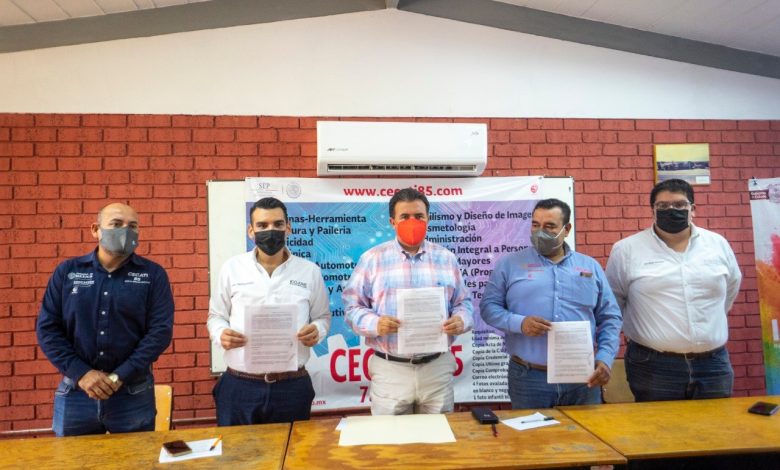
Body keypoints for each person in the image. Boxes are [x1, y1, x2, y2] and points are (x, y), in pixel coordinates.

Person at [36, 202, 174, 436]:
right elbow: (48, 329)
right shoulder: (68, 272)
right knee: (73, 457)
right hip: (77, 393)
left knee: (136, 457)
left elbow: (159, 332)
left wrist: (119, 375)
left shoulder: (153, 275)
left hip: (132, 393)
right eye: (116, 224)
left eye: (133, 226)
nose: (125, 231)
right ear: (95, 229)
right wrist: (82, 373)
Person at [606, 179, 742, 402]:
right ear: (652, 210)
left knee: (718, 423)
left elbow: (730, 289)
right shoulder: (626, 250)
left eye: (679, 205)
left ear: (693, 209)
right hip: (653, 366)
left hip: (713, 364)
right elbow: (614, 303)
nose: (671, 210)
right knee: (657, 424)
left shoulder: (717, 244)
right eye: (663, 206)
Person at [481, 198, 622, 409]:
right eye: (535, 225)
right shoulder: (509, 264)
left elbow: (610, 317)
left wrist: (605, 357)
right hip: (529, 378)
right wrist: (520, 323)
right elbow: (488, 308)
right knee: (531, 431)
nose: (540, 232)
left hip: (583, 378)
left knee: (584, 431)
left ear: (567, 229)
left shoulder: (589, 266)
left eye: (549, 226)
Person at [343, 187, 473, 415]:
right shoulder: (372, 259)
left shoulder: (446, 258)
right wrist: (375, 324)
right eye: (404, 217)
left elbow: (464, 303)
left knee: (439, 434)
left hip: (436, 368)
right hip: (390, 369)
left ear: (428, 219)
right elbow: (352, 307)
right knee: (391, 436)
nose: (412, 222)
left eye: (419, 216)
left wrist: (461, 320)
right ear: (392, 222)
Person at [208, 197, 330, 425]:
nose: (270, 231)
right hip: (240, 385)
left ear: (288, 228)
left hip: (291, 386)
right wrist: (220, 333)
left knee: (292, 447)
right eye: (262, 225)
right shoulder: (232, 268)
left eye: (278, 224)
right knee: (236, 448)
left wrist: (317, 330)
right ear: (251, 231)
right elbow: (216, 316)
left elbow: (322, 317)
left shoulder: (309, 271)